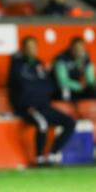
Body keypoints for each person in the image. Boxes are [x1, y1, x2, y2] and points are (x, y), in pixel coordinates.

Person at [8, 36, 76, 166]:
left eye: (34, 47)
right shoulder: (17, 66)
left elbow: (50, 87)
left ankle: (52, 154)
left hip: (44, 106)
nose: (32, 50)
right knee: (42, 123)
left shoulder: (40, 65)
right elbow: (16, 88)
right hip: (28, 107)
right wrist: (24, 105)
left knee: (70, 122)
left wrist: (52, 73)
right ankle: (39, 159)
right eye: (29, 47)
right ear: (23, 49)